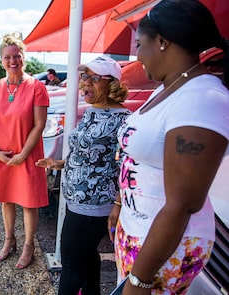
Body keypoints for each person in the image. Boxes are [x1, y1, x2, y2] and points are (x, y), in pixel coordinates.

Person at [108, 0, 229, 294]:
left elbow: (183, 203)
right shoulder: (169, 87)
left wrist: (140, 279)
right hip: (139, 231)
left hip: (164, 245)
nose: (137, 56)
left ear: (162, 41)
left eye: (139, 45)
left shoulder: (202, 98)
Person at [36, 55, 130, 295]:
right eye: (84, 76)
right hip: (75, 199)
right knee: (86, 256)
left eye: (94, 78)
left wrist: (118, 204)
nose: (85, 82)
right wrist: (58, 163)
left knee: (70, 261)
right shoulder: (91, 112)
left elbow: (126, 165)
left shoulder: (123, 120)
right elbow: (84, 153)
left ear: (113, 84)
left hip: (95, 204)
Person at [0, 32, 49, 269]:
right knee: (6, 201)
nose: (12, 61)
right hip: (2, 155)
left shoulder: (37, 87)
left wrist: (23, 155)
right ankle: (9, 239)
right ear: (1, 60)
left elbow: (39, 125)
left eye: (16, 56)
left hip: (28, 154)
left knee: (29, 203)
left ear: (23, 57)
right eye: (7, 57)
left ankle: (29, 245)